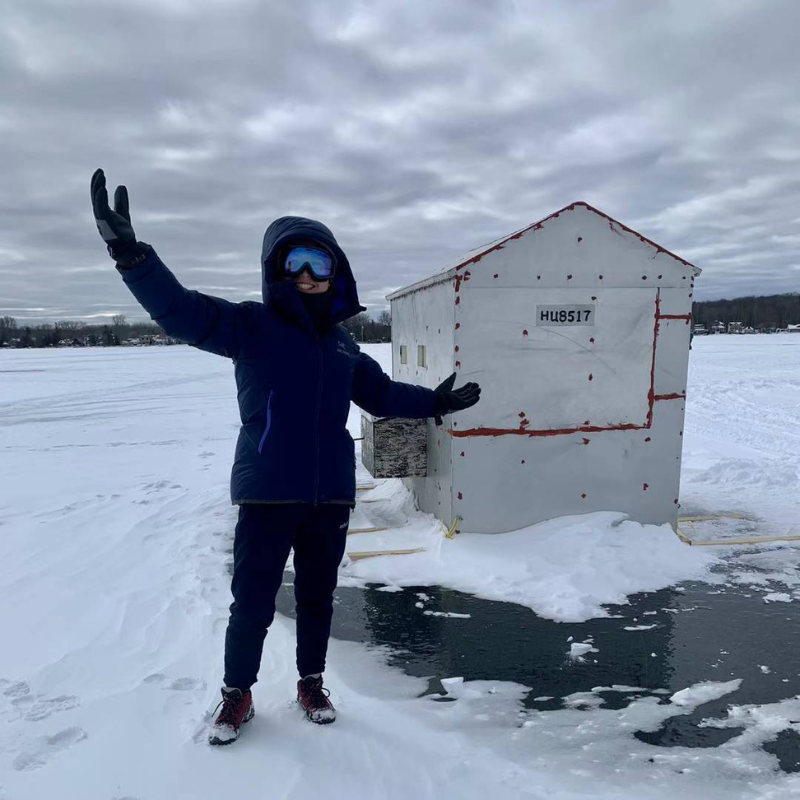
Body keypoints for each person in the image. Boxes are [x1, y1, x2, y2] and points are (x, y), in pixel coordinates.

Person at [90, 169, 481, 746]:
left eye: (318, 264)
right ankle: (236, 694)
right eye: (294, 262)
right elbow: (179, 311)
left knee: (318, 598)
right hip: (269, 490)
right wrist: (132, 255)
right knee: (251, 602)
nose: (306, 275)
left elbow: (381, 395)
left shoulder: (343, 344)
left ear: (335, 272)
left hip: (329, 496)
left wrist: (436, 403)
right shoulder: (250, 326)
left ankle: (312, 682)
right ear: (277, 269)